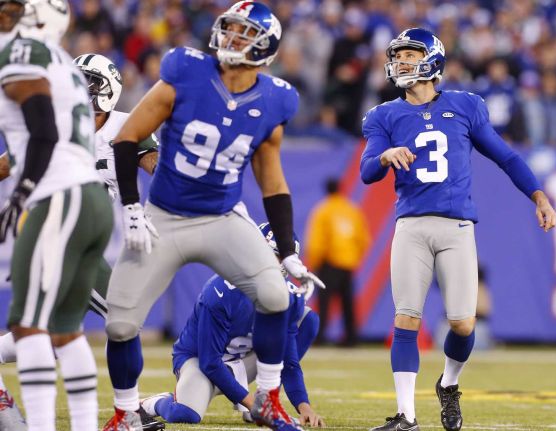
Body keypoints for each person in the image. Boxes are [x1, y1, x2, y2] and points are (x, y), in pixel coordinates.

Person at [100, 2, 321, 431]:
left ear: (265, 48)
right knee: (120, 324)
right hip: (164, 215)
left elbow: (273, 182)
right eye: (230, 29)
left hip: (222, 216)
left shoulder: (275, 99)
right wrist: (130, 206)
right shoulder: (186, 70)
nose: (233, 39)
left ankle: (269, 399)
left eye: (245, 33)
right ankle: (127, 412)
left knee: (277, 295)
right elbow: (127, 139)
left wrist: (288, 248)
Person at [360, 28, 556, 431]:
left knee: (464, 324)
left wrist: (538, 195)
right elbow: (366, 172)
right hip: (411, 225)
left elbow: (505, 156)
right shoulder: (384, 115)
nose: (402, 62)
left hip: (457, 227)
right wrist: (385, 155)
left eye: (411, 56)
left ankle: (448, 383)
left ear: (432, 60)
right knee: (406, 319)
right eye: (399, 56)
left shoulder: (466, 106)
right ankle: (406, 416)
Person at [0, 51, 163, 431]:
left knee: (55, 332)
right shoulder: (50, 122)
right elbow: (6, 165)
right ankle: (127, 414)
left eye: (85, 81)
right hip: (54, 232)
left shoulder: (127, 125)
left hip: (85, 236)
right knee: (123, 315)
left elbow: (158, 166)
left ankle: (126, 413)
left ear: (106, 89)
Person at [0, 0, 113, 430]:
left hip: (58, 195)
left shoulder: (23, 53)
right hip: (88, 200)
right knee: (65, 330)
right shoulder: (62, 61)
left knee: (29, 326)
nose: (3, 16)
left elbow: (43, 128)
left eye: (11, 10)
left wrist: (22, 192)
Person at [140, 223, 324, 428]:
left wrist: (304, 407)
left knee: (309, 321)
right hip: (200, 358)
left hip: (245, 358)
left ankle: (267, 399)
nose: (279, 264)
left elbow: (287, 361)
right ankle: (151, 404)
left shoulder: (290, 298)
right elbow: (210, 362)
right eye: (274, 254)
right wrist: (252, 404)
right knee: (186, 413)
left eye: (284, 258)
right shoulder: (221, 291)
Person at [305, 177, 370, 346]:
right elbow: (363, 239)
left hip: (329, 263)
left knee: (324, 303)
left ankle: (320, 337)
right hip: (348, 264)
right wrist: (355, 259)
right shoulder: (351, 210)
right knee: (347, 303)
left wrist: (314, 263)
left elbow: (317, 240)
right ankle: (351, 338)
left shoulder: (323, 210)